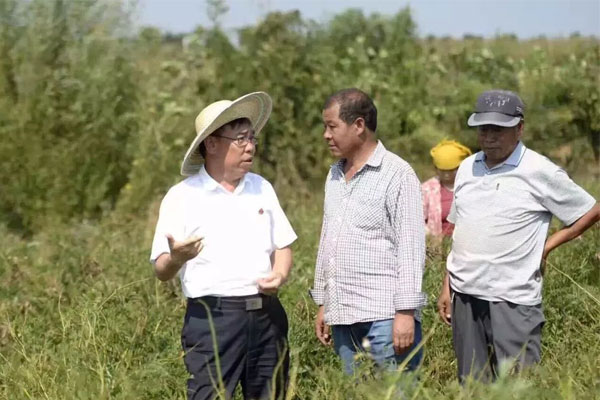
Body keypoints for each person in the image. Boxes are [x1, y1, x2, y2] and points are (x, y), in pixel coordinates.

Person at [437, 89, 600, 382]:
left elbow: (589, 209)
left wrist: (547, 246)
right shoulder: (466, 168)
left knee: (518, 384)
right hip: (465, 295)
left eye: (499, 129)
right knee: (472, 384)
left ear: (520, 128)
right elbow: (460, 231)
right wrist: (447, 285)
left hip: (512, 298)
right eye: (483, 128)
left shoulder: (539, 170)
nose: (489, 136)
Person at [149, 92, 297, 400]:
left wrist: (280, 274)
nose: (250, 146)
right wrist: (177, 258)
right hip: (213, 321)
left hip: (266, 317)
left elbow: (282, 245)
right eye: (240, 138)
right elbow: (161, 270)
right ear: (212, 144)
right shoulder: (183, 197)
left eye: (252, 138)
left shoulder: (261, 188)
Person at [310, 88, 427, 375]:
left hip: (385, 318)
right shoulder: (335, 174)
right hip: (345, 315)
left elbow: (411, 248)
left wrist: (405, 314)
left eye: (332, 126)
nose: (326, 135)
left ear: (359, 125)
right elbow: (328, 239)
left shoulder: (397, 174)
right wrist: (325, 302)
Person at [422, 140, 472, 237]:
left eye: (451, 170)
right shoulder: (426, 189)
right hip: (437, 247)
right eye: (442, 170)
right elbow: (416, 220)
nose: (446, 174)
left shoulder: (471, 185)